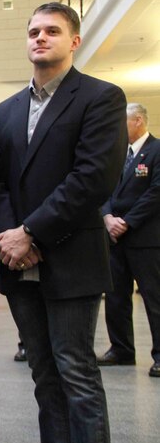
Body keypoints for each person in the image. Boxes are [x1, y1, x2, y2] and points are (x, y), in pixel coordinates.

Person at [0, 2, 126, 443]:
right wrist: (13, 238)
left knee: (76, 372)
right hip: (18, 262)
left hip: (71, 257)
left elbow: (93, 178)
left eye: (52, 30)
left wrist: (30, 232)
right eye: (33, 31)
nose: (40, 38)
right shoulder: (6, 111)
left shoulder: (100, 97)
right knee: (44, 375)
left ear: (74, 41)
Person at [99, 102, 160, 378]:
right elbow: (102, 188)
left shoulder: (157, 150)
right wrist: (108, 217)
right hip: (114, 238)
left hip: (145, 238)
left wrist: (128, 221)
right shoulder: (116, 154)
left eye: (122, 122)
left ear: (138, 120)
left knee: (154, 298)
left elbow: (156, 192)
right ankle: (121, 349)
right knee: (115, 297)